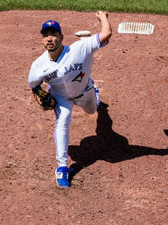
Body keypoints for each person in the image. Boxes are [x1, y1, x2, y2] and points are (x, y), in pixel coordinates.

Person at [28, 11, 112, 187]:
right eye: (46, 35)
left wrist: (103, 17)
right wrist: (39, 97)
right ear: (42, 39)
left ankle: (96, 95)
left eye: (53, 34)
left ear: (61, 37)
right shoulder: (37, 66)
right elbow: (34, 86)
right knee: (63, 120)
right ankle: (62, 167)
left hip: (85, 90)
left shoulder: (77, 49)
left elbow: (106, 34)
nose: (49, 38)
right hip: (61, 97)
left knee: (93, 110)